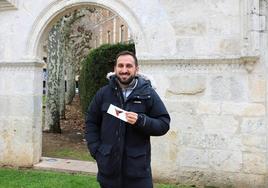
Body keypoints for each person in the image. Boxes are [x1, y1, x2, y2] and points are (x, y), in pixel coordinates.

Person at [85, 51, 170, 188]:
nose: (124, 70)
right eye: (121, 66)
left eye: (129, 66)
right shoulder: (103, 93)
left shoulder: (148, 94)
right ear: (115, 69)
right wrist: (97, 150)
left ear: (136, 69)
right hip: (108, 170)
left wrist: (141, 120)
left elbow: (164, 123)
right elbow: (91, 122)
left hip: (138, 173)